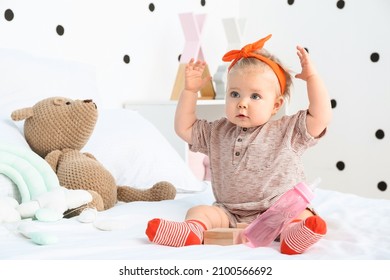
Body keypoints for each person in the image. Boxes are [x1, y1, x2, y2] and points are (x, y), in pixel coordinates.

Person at [145, 34, 332, 255]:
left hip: (279, 210)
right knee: (200, 211)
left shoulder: (287, 131)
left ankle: (292, 235)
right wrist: (189, 92)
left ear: (276, 105)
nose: (242, 103)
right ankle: (191, 231)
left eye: (255, 96)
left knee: (302, 214)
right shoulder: (218, 131)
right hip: (231, 212)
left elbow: (320, 117)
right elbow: (184, 128)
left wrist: (312, 78)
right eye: (235, 94)